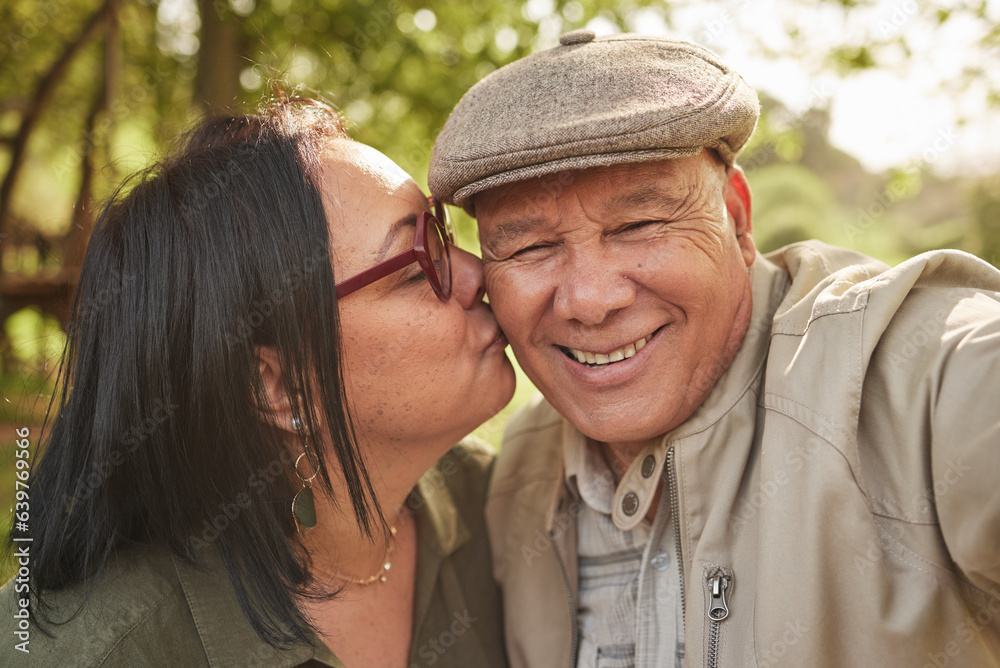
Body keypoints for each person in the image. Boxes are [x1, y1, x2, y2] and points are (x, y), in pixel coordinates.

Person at [429, 31, 1000, 668]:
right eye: (530, 247)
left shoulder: (918, 378)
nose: (589, 300)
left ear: (737, 216)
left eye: (639, 224)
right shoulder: (518, 475)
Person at [0, 96, 515, 667]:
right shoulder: (86, 651)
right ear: (275, 387)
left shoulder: (507, 501)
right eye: (417, 263)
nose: (478, 273)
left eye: (438, 232)